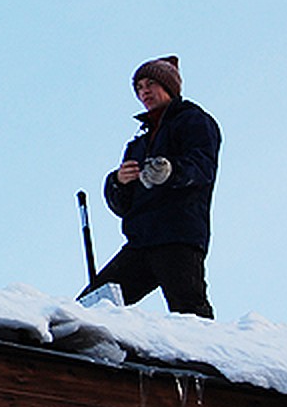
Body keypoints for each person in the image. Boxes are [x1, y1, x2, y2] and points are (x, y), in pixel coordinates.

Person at [81, 56, 221, 319]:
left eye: (151, 84)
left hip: (178, 235)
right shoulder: (137, 144)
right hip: (141, 240)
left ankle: (209, 360)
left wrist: (170, 170)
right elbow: (122, 205)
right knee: (90, 308)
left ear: (169, 87)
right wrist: (118, 182)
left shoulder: (194, 121)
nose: (144, 91)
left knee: (190, 314)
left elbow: (202, 167)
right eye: (139, 87)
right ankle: (85, 355)